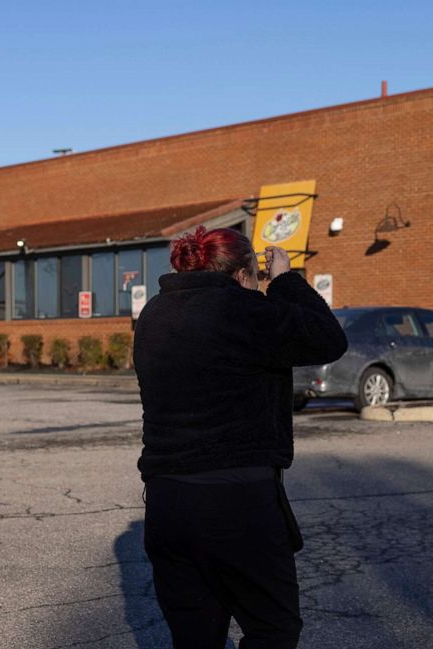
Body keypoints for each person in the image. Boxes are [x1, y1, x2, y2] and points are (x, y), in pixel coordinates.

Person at [133, 225, 347, 649]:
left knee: (195, 636)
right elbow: (327, 339)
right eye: (253, 274)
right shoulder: (242, 311)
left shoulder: (154, 315)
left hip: (167, 500)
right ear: (242, 273)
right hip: (238, 500)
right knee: (273, 628)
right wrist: (285, 279)